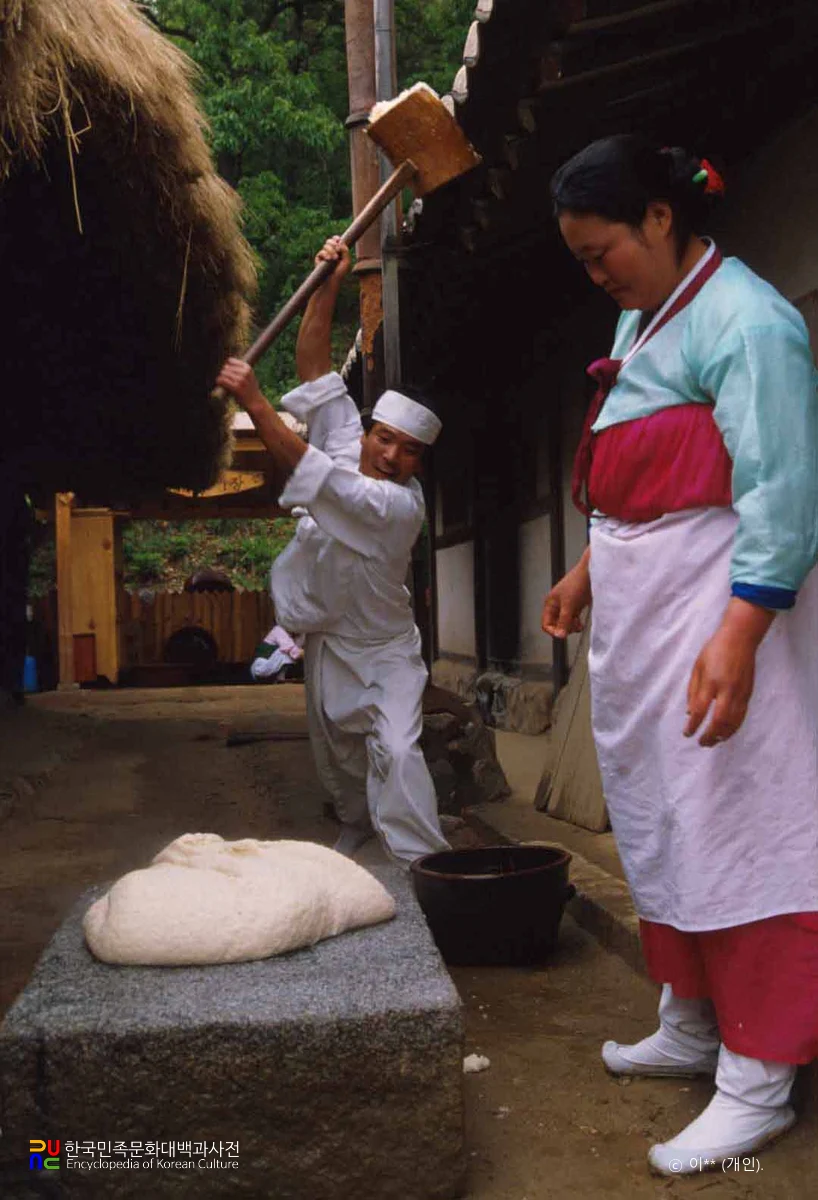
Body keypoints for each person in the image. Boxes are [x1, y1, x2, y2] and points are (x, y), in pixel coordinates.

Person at [541, 135, 818, 1175]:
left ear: (660, 218)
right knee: (662, 815)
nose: (593, 272)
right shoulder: (640, 309)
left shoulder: (747, 321)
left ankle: (757, 1082)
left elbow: (782, 490)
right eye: (579, 257)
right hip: (645, 611)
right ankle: (690, 1023)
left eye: (598, 248)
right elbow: (629, 472)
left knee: (736, 820)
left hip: (718, 607)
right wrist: (584, 571)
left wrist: (741, 631)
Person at [217, 237, 449, 867]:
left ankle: (423, 862)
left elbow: (317, 478)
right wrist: (329, 285)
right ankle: (355, 824)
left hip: (386, 648)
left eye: (408, 451)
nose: (390, 457)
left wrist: (256, 404)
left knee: (397, 750)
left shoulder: (399, 508)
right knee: (338, 758)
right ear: (370, 430)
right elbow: (317, 371)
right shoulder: (348, 438)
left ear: (420, 460)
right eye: (384, 439)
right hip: (326, 639)